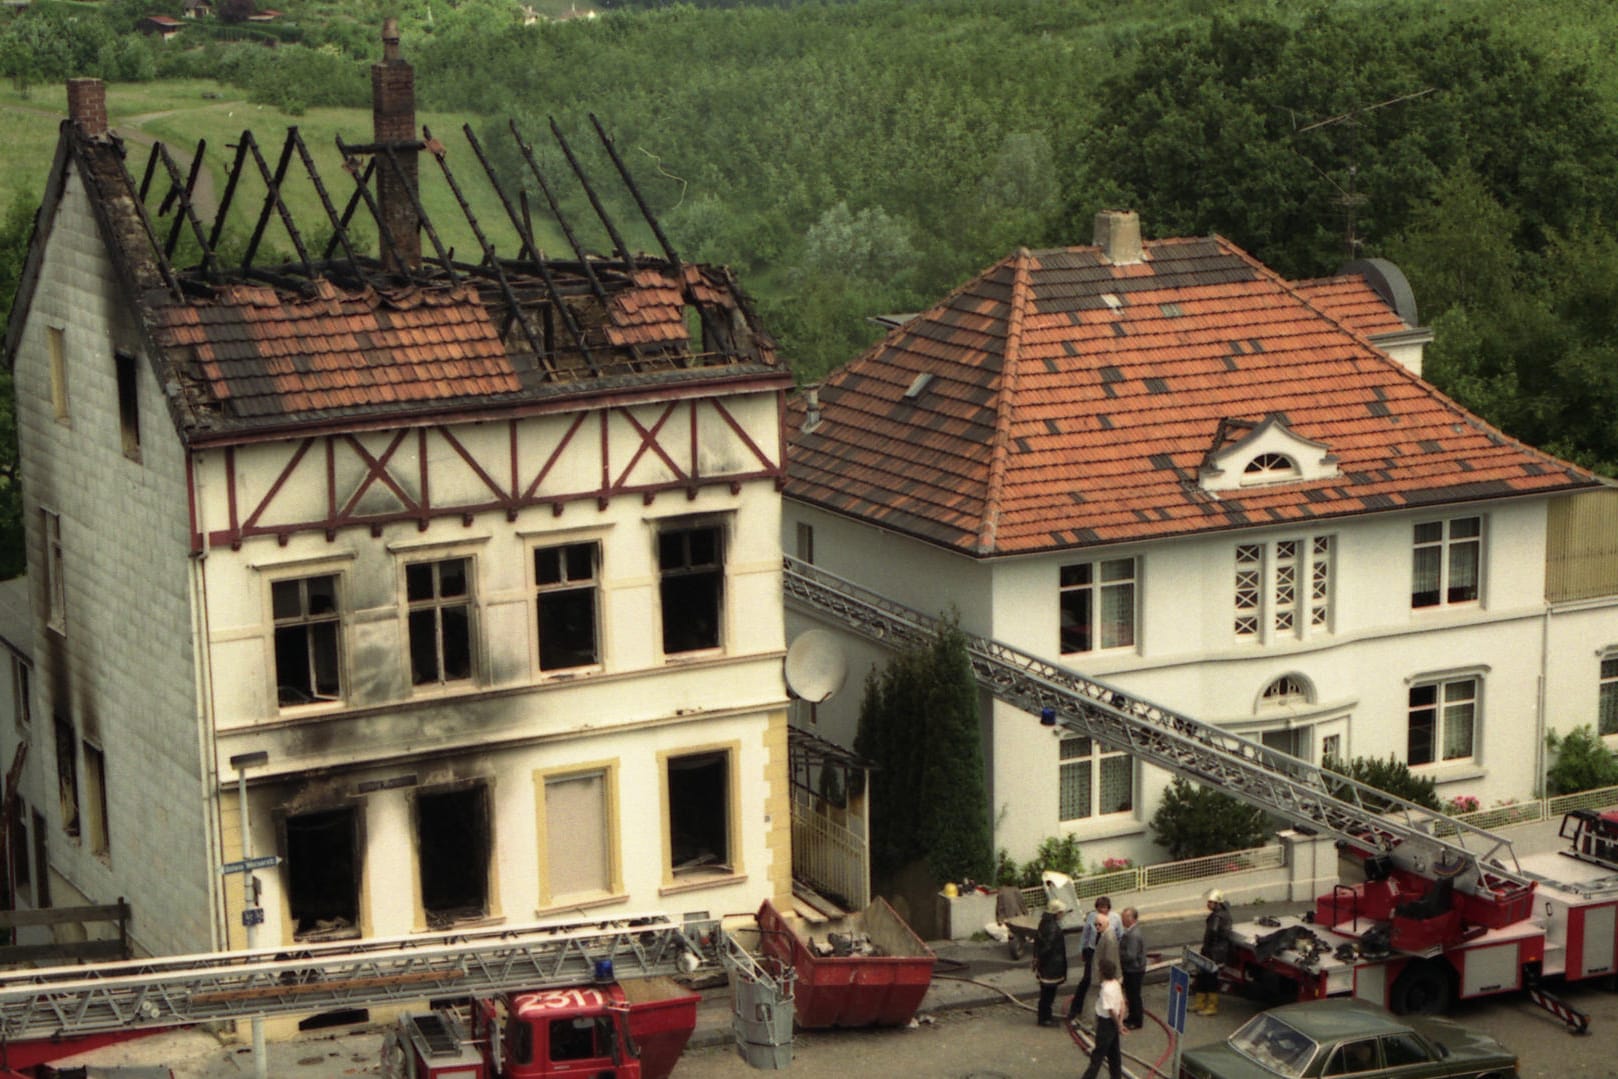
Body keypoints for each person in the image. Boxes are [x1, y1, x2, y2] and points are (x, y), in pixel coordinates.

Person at [1067, 895, 1121, 1021]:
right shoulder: (1091, 917)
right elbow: (1086, 933)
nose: (1102, 910)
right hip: (1092, 951)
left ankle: (1110, 1009)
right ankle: (1076, 1009)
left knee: (1108, 982)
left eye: (1105, 908)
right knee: (1087, 979)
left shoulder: (1115, 918)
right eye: (1100, 908)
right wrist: (1082, 949)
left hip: (1106, 952)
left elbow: (1119, 935)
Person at [1079, 957, 1126, 1079]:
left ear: (1102, 972)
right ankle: (1116, 1076)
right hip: (1113, 1023)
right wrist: (1120, 1023)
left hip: (1106, 1024)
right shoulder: (1116, 984)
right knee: (1114, 1054)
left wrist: (1119, 1025)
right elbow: (1122, 1004)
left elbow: (1110, 1011)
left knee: (1098, 1054)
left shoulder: (1106, 989)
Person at [1032, 897, 1069, 1027]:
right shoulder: (1053, 927)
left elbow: (1038, 943)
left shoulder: (1044, 922)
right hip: (1051, 966)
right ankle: (1045, 1019)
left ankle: (1045, 1016)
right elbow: (1048, 948)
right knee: (1048, 994)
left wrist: (1037, 959)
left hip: (1046, 966)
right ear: (1057, 912)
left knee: (1046, 994)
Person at [1196, 888, 1232, 1016]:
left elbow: (1212, 933)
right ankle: (1200, 1003)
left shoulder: (1217, 917)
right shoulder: (1222, 914)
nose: (1208, 904)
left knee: (1210, 979)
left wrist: (1207, 950)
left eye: (1210, 902)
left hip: (1214, 953)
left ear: (1217, 903)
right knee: (1203, 977)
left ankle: (1211, 1006)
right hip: (1215, 951)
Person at [1119, 906, 1146, 1029]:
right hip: (1133, 968)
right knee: (1131, 995)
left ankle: (1136, 1020)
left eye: (1124, 917)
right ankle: (1132, 1017)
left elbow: (1131, 955)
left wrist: (1118, 955)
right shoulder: (1131, 931)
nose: (1122, 920)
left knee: (1134, 995)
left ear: (1131, 918)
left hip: (1133, 970)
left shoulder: (1133, 935)